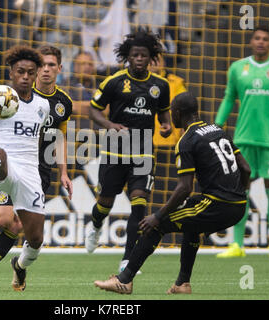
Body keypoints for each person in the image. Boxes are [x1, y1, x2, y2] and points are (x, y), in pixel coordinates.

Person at [94, 92, 251, 295]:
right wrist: (239, 194)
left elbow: (184, 187)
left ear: (177, 113)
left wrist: (158, 216)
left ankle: (124, 280)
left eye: (171, 112)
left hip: (217, 205)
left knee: (154, 227)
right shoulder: (218, 130)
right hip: (239, 204)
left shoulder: (187, 140)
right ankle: (182, 284)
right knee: (191, 221)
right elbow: (246, 169)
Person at [0, 45, 73, 289]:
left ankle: (10, 267)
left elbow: (60, 137)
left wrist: (63, 171)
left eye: (51, 66)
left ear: (57, 70)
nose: (44, 71)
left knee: (26, 231)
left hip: (38, 170)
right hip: (8, 165)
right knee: (2, 221)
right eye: (42, 66)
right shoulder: (5, 96)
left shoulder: (59, 103)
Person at [86, 28, 172, 274]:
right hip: (115, 150)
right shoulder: (113, 81)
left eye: (144, 55)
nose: (139, 58)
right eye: (135, 54)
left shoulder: (160, 85)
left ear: (150, 57)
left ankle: (127, 260)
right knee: (104, 203)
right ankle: (95, 225)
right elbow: (93, 110)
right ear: (127, 56)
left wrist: (165, 125)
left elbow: (163, 111)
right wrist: (110, 124)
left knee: (139, 205)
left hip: (144, 152)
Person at [215, 26, 269, 259]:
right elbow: (228, 99)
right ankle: (237, 245)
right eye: (257, 38)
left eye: (265, 39)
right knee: (241, 192)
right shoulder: (237, 68)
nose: (261, 42)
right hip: (243, 140)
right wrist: (217, 125)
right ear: (251, 41)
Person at [148, 54, 186, 147]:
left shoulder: (176, 82)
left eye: (156, 59)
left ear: (163, 62)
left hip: (168, 141)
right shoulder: (132, 83)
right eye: (150, 59)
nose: (153, 63)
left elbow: (185, 109)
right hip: (141, 142)